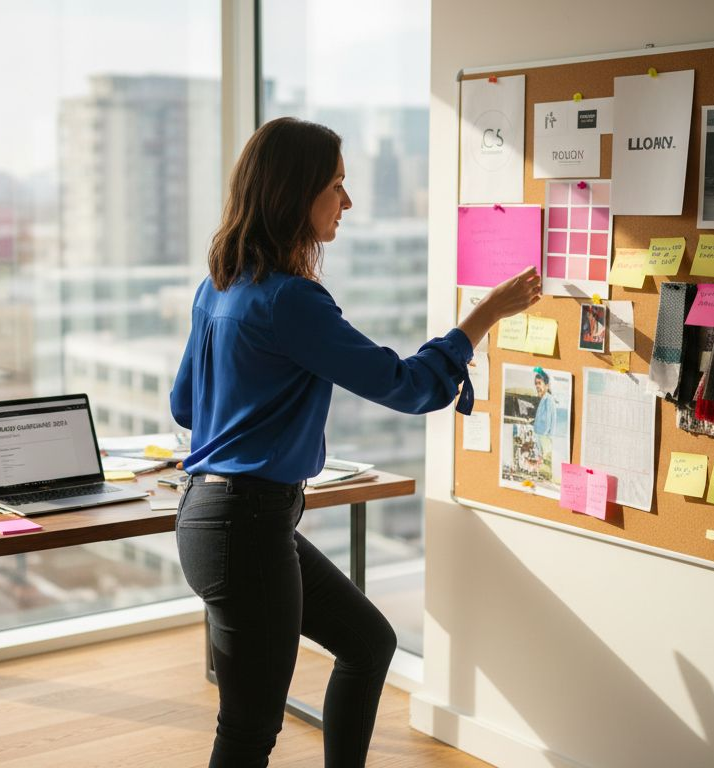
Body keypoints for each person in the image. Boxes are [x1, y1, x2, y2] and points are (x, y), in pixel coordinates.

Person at [169, 116, 541, 767]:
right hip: (244, 527)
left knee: (368, 643)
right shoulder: (291, 301)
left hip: (229, 518)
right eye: (337, 186)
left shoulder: (221, 285)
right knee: (250, 730)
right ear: (296, 192)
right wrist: (484, 315)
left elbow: (183, 404)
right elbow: (410, 387)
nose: (348, 202)